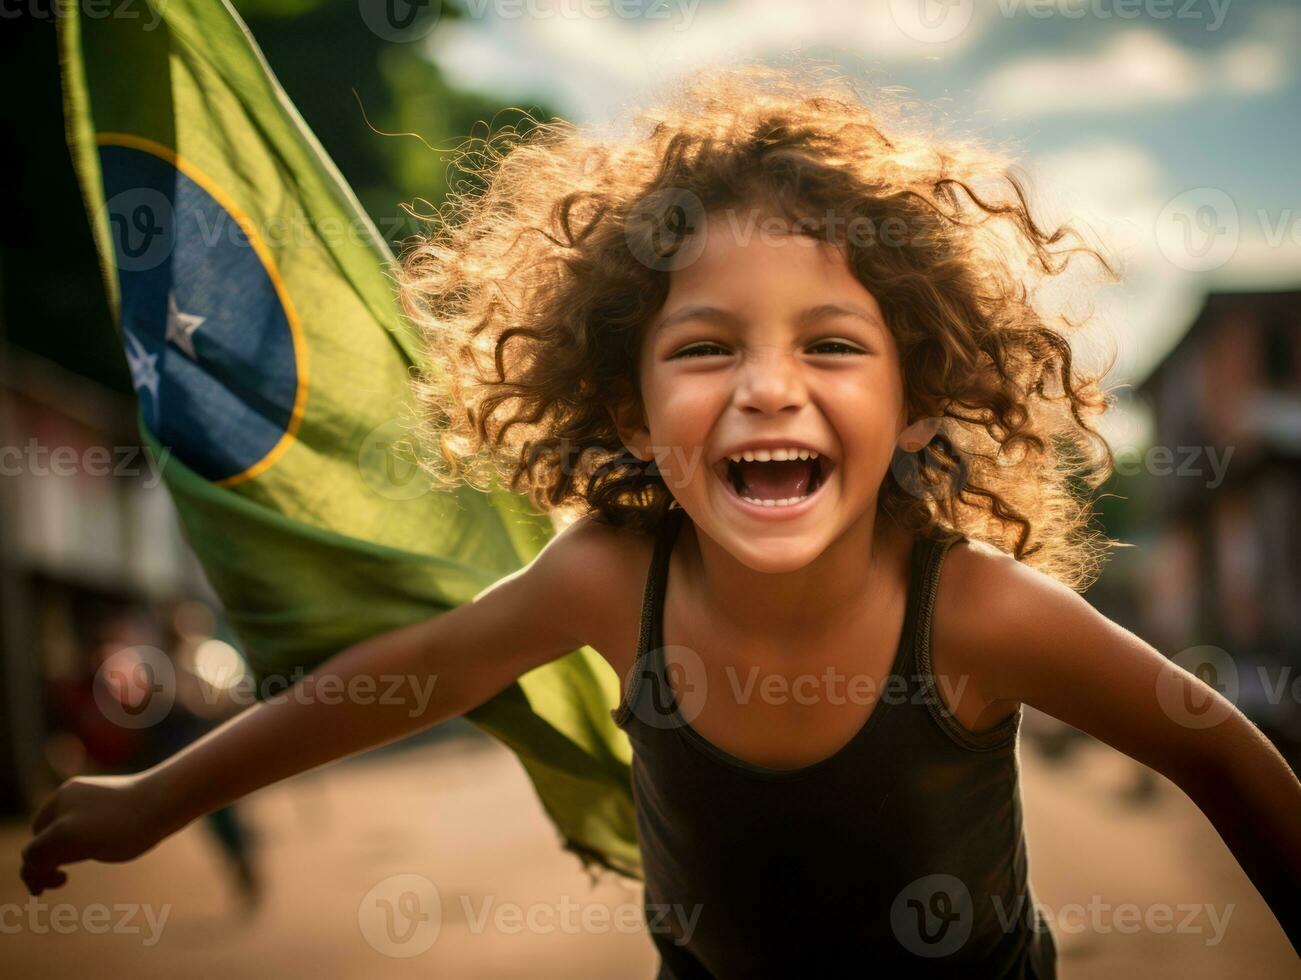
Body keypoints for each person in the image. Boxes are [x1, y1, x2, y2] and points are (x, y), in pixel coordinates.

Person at [18, 63, 1300, 977]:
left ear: (918, 403)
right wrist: (157, 794)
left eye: (832, 342)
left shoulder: (967, 609)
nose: (764, 384)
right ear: (628, 414)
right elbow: (398, 679)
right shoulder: (607, 577)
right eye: (701, 345)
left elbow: (1225, 758)